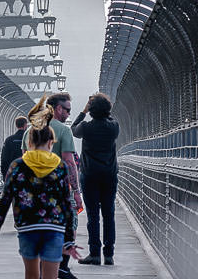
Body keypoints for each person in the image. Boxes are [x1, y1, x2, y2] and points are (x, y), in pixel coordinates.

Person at [0, 106, 80, 279]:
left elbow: (4, 202)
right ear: (51, 143)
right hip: (54, 227)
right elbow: (66, 203)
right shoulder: (60, 167)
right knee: (51, 275)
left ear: (29, 143)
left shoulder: (17, 166)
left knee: (31, 274)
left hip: (27, 226)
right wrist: (70, 239)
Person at [23, 92, 83, 279]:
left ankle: (43, 268)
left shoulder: (30, 130)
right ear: (58, 109)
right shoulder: (64, 131)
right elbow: (69, 161)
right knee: (68, 225)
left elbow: (24, 160)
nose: (68, 114)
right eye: (67, 110)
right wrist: (76, 192)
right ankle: (61, 268)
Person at [72, 93, 120, 266]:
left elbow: (74, 128)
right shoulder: (114, 127)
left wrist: (84, 111)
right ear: (107, 110)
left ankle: (94, 254)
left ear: (91, 110)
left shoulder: (85, 127)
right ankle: (109, 254)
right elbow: (109, 117)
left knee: (93, 216)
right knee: (109, 214)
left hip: (90, 176)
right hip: (109, 175)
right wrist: (103, 109)